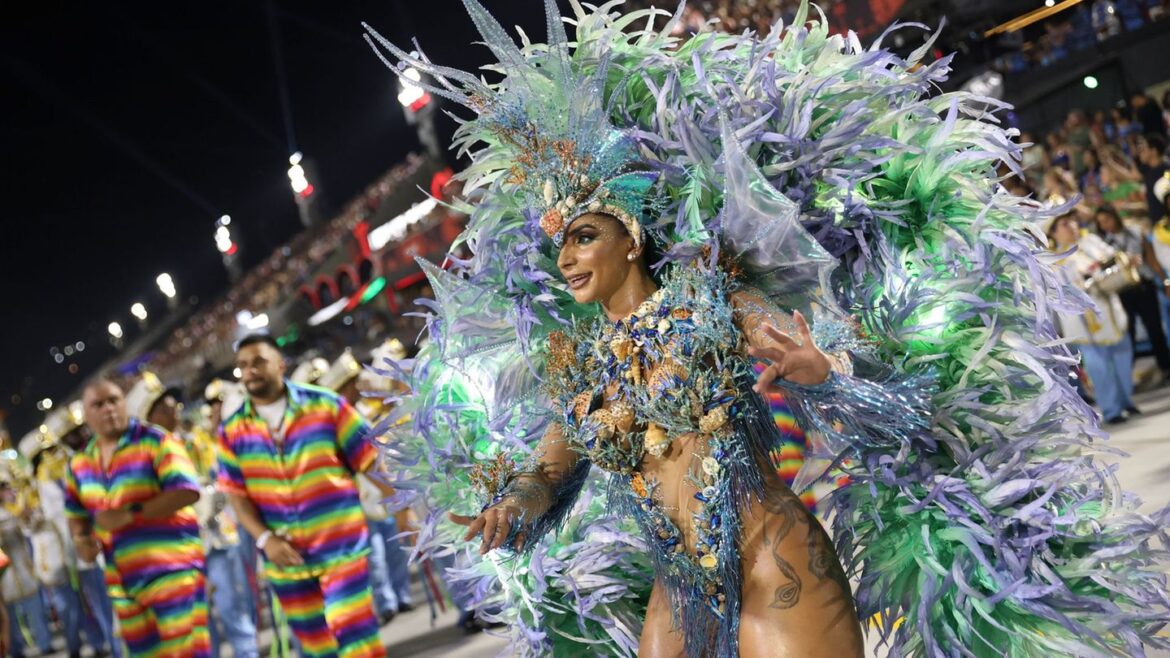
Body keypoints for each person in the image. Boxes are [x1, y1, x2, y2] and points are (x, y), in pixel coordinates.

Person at [365, 2, 1170, 656]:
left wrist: (826, 372)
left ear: (630, 237)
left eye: (583, 236)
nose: (568, 258)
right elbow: (549, 469)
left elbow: (832, 368)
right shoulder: (581, 366)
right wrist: (514, 505)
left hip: (772, 560)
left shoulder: (710, 299)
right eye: (559, 245)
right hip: (677, 593)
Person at [217, 334, 387, 658]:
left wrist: (407, 508)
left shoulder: (327, 405)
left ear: (280, 364)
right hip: (286, 559)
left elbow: (370, 461)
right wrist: (265, 539)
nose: (250, 371)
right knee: (316, 649)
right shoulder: (231, 432)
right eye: (243, 365)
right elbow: (237, 497)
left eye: (258, 361)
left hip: (342, 549)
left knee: (356, 637)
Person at [65, 379, 210, 658]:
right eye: (98, 404)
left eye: (114, 400)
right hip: (123, 585)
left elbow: (187, 491)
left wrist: (129, 514)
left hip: (173, 571)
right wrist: (81, 539)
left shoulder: (155, 439)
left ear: (124, 403)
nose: (108, 409)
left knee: (187, 652)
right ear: (87, 415)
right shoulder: (80, 463)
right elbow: (76, 513)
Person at [320, 350, 415, 624]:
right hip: (356, 497)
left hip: (380, 489)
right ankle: (385, 603)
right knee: (373, 555)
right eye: (350, 384)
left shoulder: (365, 411)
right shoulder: (331, 421)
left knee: (394, 548)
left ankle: (401, 596)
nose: (356, 387)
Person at [1048, 214, 1138, 423]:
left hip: (1111, 312)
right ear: (1053, 233)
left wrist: (1127, 262)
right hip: (1084, 322)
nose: (1072, 226)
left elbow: (1114, 258)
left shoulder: (1091, 242)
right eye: (1064, 224)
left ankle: (1126, 401)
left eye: (1072, 221)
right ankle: (1112, 410)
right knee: (1099, 368)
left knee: (1123, 360)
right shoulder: (1053, 261)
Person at [1094, 204, 1170, 380]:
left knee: (1155, 328)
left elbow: (1151, 258)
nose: (1105, 225)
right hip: (1123, 290)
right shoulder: (1101, 244)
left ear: (1115, 216)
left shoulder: (1135, 231)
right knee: (1129, 333)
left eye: (1107, 219)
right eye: (1101, 222)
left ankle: (1166, 367)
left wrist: (1164, 280)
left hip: (1143, 284)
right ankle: (1127, 375)